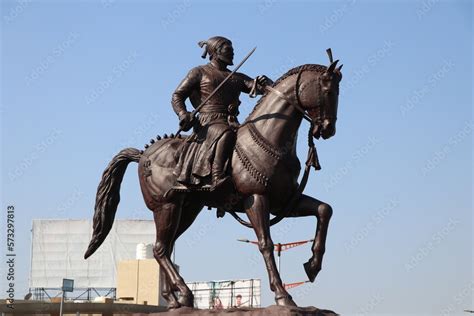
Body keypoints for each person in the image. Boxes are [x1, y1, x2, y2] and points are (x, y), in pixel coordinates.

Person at [171, 36, 272, 192]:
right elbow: (177, 95)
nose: (232, 53)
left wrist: (264, 83)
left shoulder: (236, 77)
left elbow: (254, 86)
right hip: (208, 122)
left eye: (233, 50)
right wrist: (183, 113)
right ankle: (217, 177)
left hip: (231, 121)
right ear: (215, 52)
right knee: (225, 133)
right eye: (228, 50)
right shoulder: (199, 72)